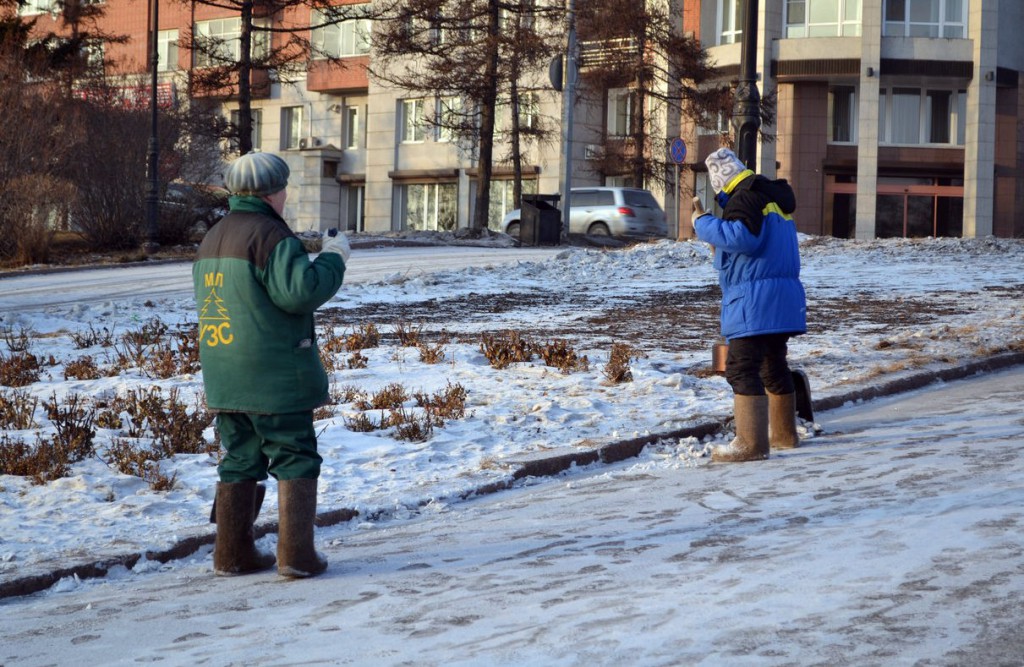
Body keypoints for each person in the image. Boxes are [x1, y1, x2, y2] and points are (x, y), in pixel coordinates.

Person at [193, 151, 350, 577]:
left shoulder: (214, 236)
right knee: (295, 455)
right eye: (282, 190)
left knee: (240, 458)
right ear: (271, 193)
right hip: (274, 374)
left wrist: (302, 249)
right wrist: (335, 256)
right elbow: (300, 292)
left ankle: (231, 554)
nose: (284, 197)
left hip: (225, 372)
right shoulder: (271, 236)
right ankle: (297, 556)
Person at [692, 147, 806, 463]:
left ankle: (750, 444)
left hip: (755, 303)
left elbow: (743, 238)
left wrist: (702, 223)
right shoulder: (771, 199)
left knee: (741, 368)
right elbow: (752, 247)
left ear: (722, 184)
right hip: (779, 300)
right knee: (773, 366)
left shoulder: (745, 198)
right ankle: (784, 435)